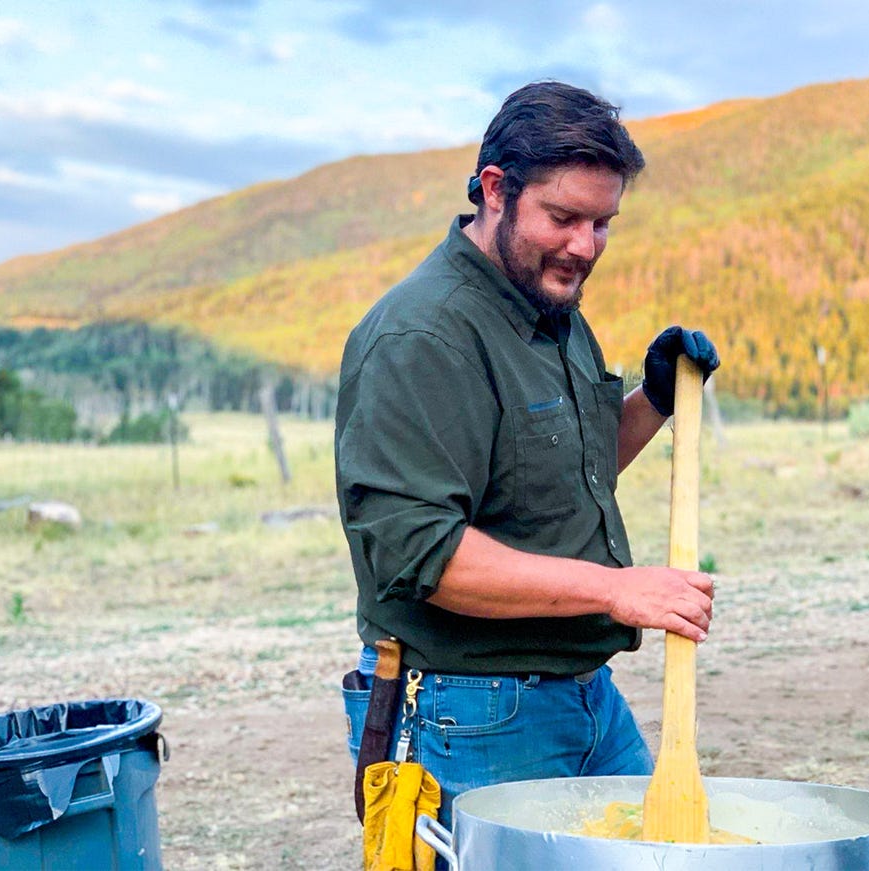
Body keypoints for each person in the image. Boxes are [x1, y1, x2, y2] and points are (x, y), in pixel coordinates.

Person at [334, 80, 721, 825]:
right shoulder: (424, 338)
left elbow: (567, 469)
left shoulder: (550, 308)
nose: (585, 246)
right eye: (564, 217)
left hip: (583, 696)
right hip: (468, 715)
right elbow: (421, 554)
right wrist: (616, 590)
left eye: (603, 222)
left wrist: (657, 400)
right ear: (495, 189)